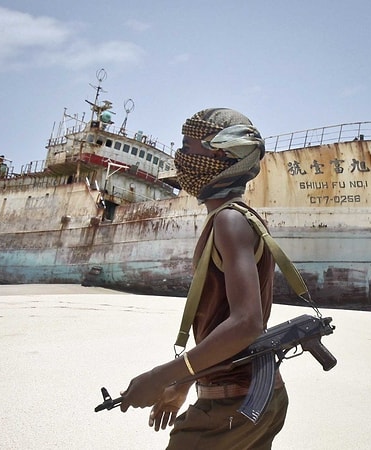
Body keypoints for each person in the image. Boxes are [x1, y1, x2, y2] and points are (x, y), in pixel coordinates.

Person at [120, 108, 288, 449]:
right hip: (254, 396)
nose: (180, 156)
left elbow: (247, 323)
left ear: (220, 153)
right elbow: (226, 321)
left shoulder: (229, 221)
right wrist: (183, 383)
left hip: (232, 405)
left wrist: (161, 376)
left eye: (187, 145)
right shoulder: (240, 218)